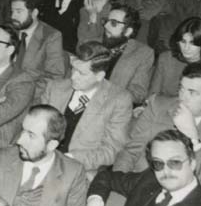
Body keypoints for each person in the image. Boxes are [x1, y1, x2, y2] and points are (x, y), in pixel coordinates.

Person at [114, 63, 201, 191]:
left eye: (192, 92)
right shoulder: (157, 106)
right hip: (139, 186)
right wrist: (117, 184)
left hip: (184, 196)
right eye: (181, 89)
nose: (182, 98)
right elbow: (130, 152)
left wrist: (193, 137)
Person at [40, 42, 133, 179]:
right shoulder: (54, 87)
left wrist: (69, 158)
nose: (73, 76)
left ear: (99, 76)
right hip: (42, 158)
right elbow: (36, 128)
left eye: (81, 73)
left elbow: (111, 150)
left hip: (80, 169)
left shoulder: (119, 100)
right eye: (73, 69)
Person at [7, 0, 66, 96]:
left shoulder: (51, 36)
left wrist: (22, 95)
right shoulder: (8, 30)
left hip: (30, 93)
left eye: (19, 11)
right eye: (12, 11)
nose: (13, 16)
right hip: (2, 87)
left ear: (34, 13)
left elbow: (54, 76)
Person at [97, 5, 155, 105]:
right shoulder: (97, 40)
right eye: (106, 21)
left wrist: (107, 96)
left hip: (110, 105)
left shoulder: (142, 53)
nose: (106, 26)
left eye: (113, 23)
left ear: (128, 31)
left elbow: (137, 94)